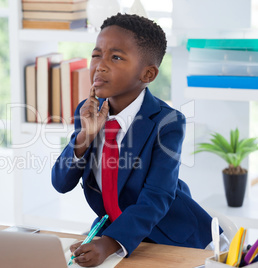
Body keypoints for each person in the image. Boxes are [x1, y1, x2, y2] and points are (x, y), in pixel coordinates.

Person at [51, 13, 214, 267]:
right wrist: (85, 136)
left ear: (148, 74)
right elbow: (61, 183)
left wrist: (110, 243)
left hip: (170, 236)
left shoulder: (168, 122)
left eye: (115, 57)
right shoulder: (87, 110)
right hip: (115, 231)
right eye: (96, 55)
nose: (100, 65)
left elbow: (156, 198)